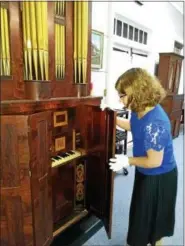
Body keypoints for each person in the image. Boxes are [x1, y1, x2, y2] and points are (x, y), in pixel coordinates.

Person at [101, 68, 178, 246]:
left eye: (122, 95)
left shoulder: (156, 121)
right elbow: (134, 125)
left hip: (160, 177)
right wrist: (112, 116)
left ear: (137, 92)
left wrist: (127, 160)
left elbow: (154, 161)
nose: (120, 100)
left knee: (154, 226)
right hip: (146, 172)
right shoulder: (139, 109)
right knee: (141, 217)